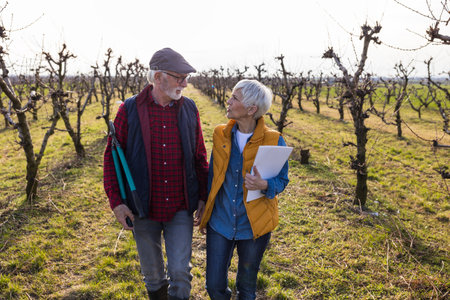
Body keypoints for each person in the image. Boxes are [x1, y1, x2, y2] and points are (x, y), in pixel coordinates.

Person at [103, 47, 209, 300]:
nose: (184, 83)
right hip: (143, 206)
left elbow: (199, 157)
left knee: (180, 272)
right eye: (179, 77)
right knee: (152, 275)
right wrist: (117, 202)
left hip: (180, 205)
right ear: (158, 77)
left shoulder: (189, 109)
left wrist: (204, 197)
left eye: (186, 78)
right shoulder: (129, 110)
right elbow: (111, 158)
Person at [199, 79, 290, 300]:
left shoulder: (273, 140)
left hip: (254, 227)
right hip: (220, 222)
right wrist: (204, 207)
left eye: (234, 98)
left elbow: (282, 180)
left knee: (247, 288)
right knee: (213, 286)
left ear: (251, 109)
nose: (228, 101)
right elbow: (212, 174)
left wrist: (265, 185)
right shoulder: (220, 133)